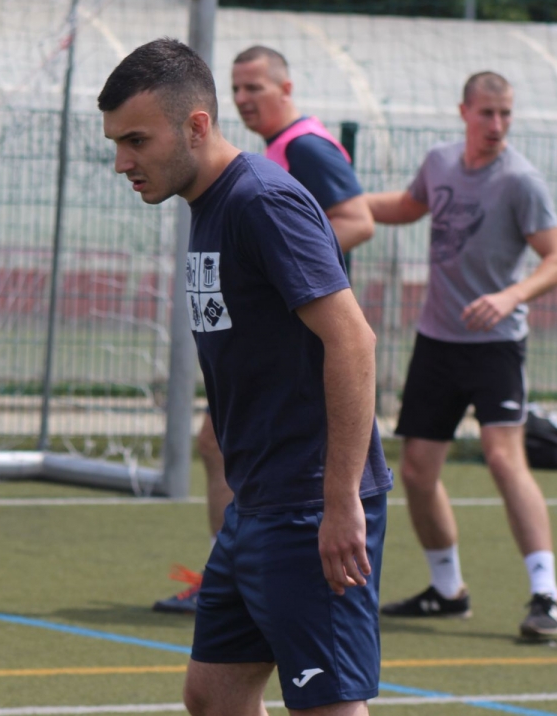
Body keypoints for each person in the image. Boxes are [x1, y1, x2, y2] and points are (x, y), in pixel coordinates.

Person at [100, 38, 393, 715]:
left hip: (308, 504)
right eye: (116, 143)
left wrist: (340, 500)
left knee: (328, 706)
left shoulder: (263, 201)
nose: (122, 162)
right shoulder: (209, 203)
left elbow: (354, 340)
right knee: (214, 695)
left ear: (196, 126)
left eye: (137, 141)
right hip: (258, 502)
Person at [153, 44, 375, 614]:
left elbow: (357, 219)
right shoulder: (250, 165)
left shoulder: (299, 151)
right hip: (265, 374)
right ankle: (225, 570)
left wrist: (275, 263)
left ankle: (225, 570)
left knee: (216, 444)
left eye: (255, 87)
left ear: (287, 88)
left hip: (299, 379)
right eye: (237, 88)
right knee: (217, 443)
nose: (244, 98)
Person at [365, 71, 557, 639]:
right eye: (487, 113)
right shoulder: (439, 162)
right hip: (437, 341)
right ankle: (447, 591)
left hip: (496, 345)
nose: (497, 125)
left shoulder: (521, 181)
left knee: (504, 460)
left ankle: (546, 595)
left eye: (506, 114)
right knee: (416, 470)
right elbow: (408, 205)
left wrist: (509, 296)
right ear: (464, 112)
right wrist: (342, 203)